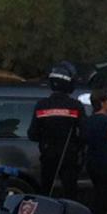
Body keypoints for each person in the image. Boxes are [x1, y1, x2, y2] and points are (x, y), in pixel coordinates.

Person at [27, 61, 85, 199]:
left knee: (46, 193)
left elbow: (32, 134)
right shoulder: (76, 106)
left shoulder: (41, 105)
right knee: (70, 193)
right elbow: (85, 134)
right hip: (69, 157)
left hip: (48, 156)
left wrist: (46, 139)